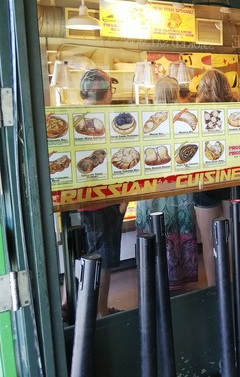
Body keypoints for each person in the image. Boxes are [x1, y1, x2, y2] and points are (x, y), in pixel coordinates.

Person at [136, 77, 198, 290]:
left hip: (151, 186)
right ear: (175, 94)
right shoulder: (182, 119)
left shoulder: (145, 119)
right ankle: (179, 276)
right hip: (178, 185)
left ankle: (153, 277)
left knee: (154, 228)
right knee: (178, 226)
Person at [77, 69, 126, 317]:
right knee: (102, 259)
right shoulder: (106, 120)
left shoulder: (76, 119)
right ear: (105, 92)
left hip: (84, 200)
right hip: (104, 200)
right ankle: (100, 312)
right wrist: (125, 197)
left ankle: (86, 308)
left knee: (91, 256)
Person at [194, 69, 237, 286]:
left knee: (209, 239)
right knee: (231, 235)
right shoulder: (235, 110)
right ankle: (232, 283)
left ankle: (214, 286)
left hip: (205, 179)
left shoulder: (196, 113)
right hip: (232, 177)